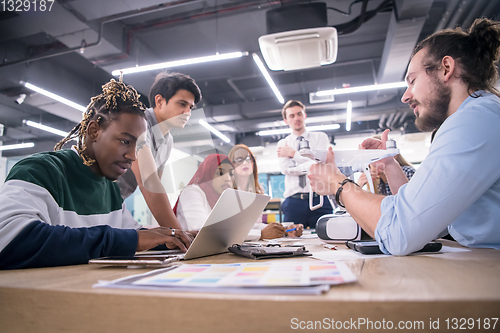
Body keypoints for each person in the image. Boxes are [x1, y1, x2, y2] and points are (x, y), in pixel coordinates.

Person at [308, 18, 500, 255]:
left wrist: (338, 185)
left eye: (412, 80)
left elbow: (399, 233)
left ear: (446, 69)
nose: (405, 96)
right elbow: (424, 216)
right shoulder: (480, 115)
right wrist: (390, 163)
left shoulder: (474, 122)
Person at [0, 79, 192, 270]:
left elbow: (130, 234)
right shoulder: (39, 171)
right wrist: (128, 240)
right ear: (94, 131)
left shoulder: (109, 188)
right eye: (125, 141)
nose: (133, 156)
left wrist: (175, 238)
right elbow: (10, 239)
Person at [117, 72, 202, 229]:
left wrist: (171, 231)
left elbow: (156, 187)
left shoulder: (168, 141)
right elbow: (148, 182)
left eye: (190, 107)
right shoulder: (139, 123)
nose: (188, 113)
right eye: (182, 104)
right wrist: (178, 232)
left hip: (114, 202)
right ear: (160, 101)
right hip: (88, 197)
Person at [277, 100, 333, 228]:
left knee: (327, 238)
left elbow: (321, 164)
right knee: (291, 240)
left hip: (320, 199)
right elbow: (285, 169)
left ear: (305, 115)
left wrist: (293, 154)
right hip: (293, 202)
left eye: (299, 114)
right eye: (291, 116)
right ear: (286, 120)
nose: (296, 118)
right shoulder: (282, 143)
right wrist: (310, 163)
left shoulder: (320, 137)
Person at [228, 144, 303, 240]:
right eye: (239, 160)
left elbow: (253, 226)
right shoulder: (227, 192)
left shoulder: (258, 192)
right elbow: (231, 231)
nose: (245, 163)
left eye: (248, 158)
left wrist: (284, 230)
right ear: (231, 164)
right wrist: (261, 234)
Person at [174, 153, 235, 231]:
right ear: (208, 174)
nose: (228, 178)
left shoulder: (223, 198)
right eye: (220, 173)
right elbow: (203, 229)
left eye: (231, 174)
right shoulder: (191, 192)